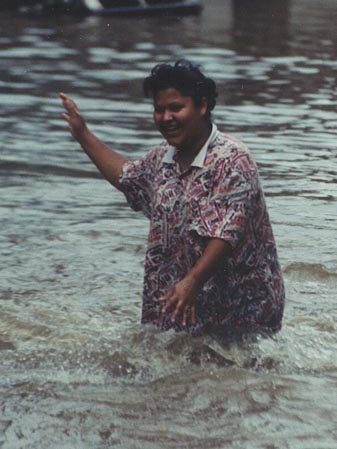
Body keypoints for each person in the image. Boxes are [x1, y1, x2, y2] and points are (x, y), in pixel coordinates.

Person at [60, 59, 284, 338]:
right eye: (159, 110)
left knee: (235, 376)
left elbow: (227, 233)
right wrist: (83, 135)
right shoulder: (162, 159)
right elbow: (128, 179)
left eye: (176, 108)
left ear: (202, 106)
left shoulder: (232, 159)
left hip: (241, 306)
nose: (166, 118)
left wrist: (193, 280)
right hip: (183, 302)